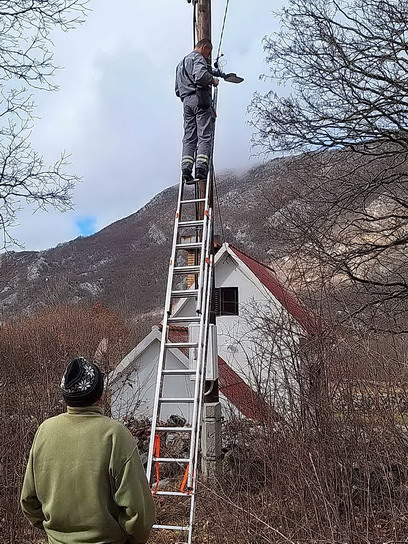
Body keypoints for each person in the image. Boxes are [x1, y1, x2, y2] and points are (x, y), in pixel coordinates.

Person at [20, 357, 155, 544]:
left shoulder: (45, 431)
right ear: (99, 394)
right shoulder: (114, 434)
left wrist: (56, 533)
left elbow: (29, 501)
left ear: (65, 394)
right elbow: (138, 513)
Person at [175, 38, 219, 183]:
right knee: (204, 134)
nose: (208, 56)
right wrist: (212, 80)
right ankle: (201, 168)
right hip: (199, 99)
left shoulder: (180, 64)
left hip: (186, 102)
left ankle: (186, 170)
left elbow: (177, 90)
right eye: (208, 52)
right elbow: (200, 76)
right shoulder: (198, 58)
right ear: (204, 47)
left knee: (189, 137)